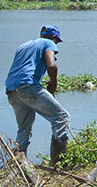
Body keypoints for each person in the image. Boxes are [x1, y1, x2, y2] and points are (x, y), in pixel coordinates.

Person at [5, 25, 72, 166]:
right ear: (54, 38)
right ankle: (59, 165)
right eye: (57, 42)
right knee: (61, 118)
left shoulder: (24, 45)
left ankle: (19, 165)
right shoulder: (49, 43)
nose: (56, 45)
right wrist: (53, 83)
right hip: (28, 87)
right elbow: (51, 65)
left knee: (24, 127)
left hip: (12, 90)